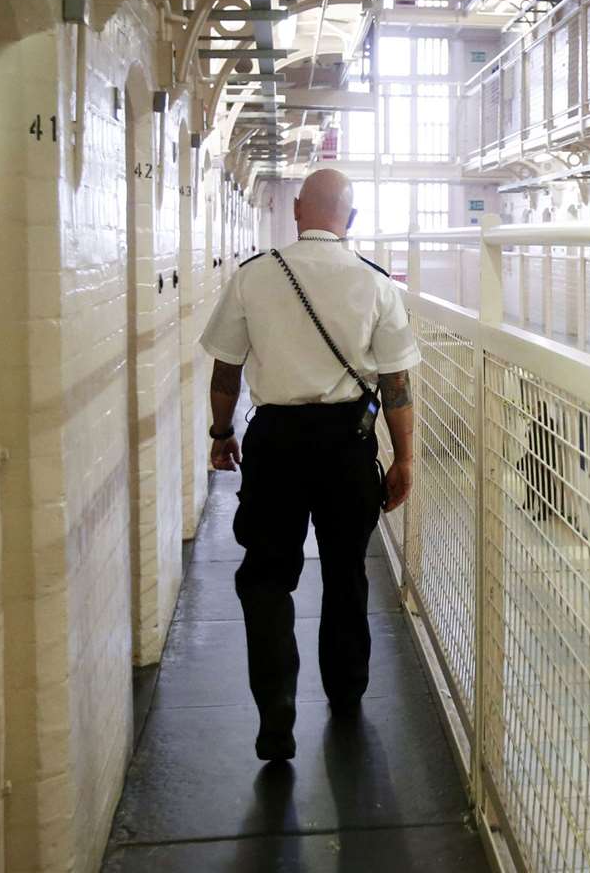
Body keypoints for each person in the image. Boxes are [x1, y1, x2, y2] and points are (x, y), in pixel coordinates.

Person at [197, 168, 419, 762]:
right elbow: (396, 385)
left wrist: (222, 433)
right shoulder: (376, 286)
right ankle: (346, 696)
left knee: (266, 577)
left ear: (297, 209)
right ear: (351, 219)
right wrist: (405, 459)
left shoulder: (255, 276)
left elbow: (226, 370)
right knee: (347, 571)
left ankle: (276, 713)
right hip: (348, 445)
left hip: (275, 444)